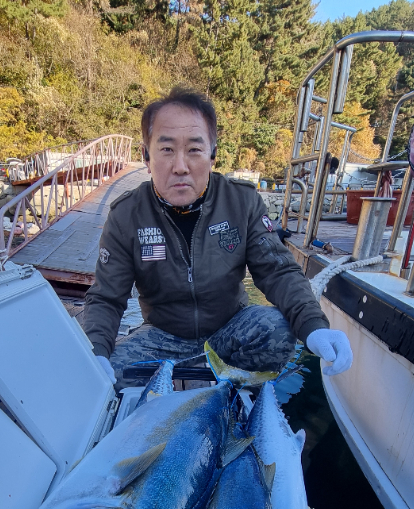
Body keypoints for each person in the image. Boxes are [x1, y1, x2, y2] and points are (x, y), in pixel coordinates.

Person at [82, 87, 352, 389]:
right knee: (105, 374)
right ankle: (198, 377)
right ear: (146, 156)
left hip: (229, 333)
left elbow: (278, 272)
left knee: (277, 330)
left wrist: (313, 326)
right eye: (167, 149)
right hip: (162, 338)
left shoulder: (242, 201)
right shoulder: (126, 214)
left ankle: (234, 391)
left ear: (212, 155)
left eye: (194, 150)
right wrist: (96, 351)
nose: (180, 167)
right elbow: (107, 297)